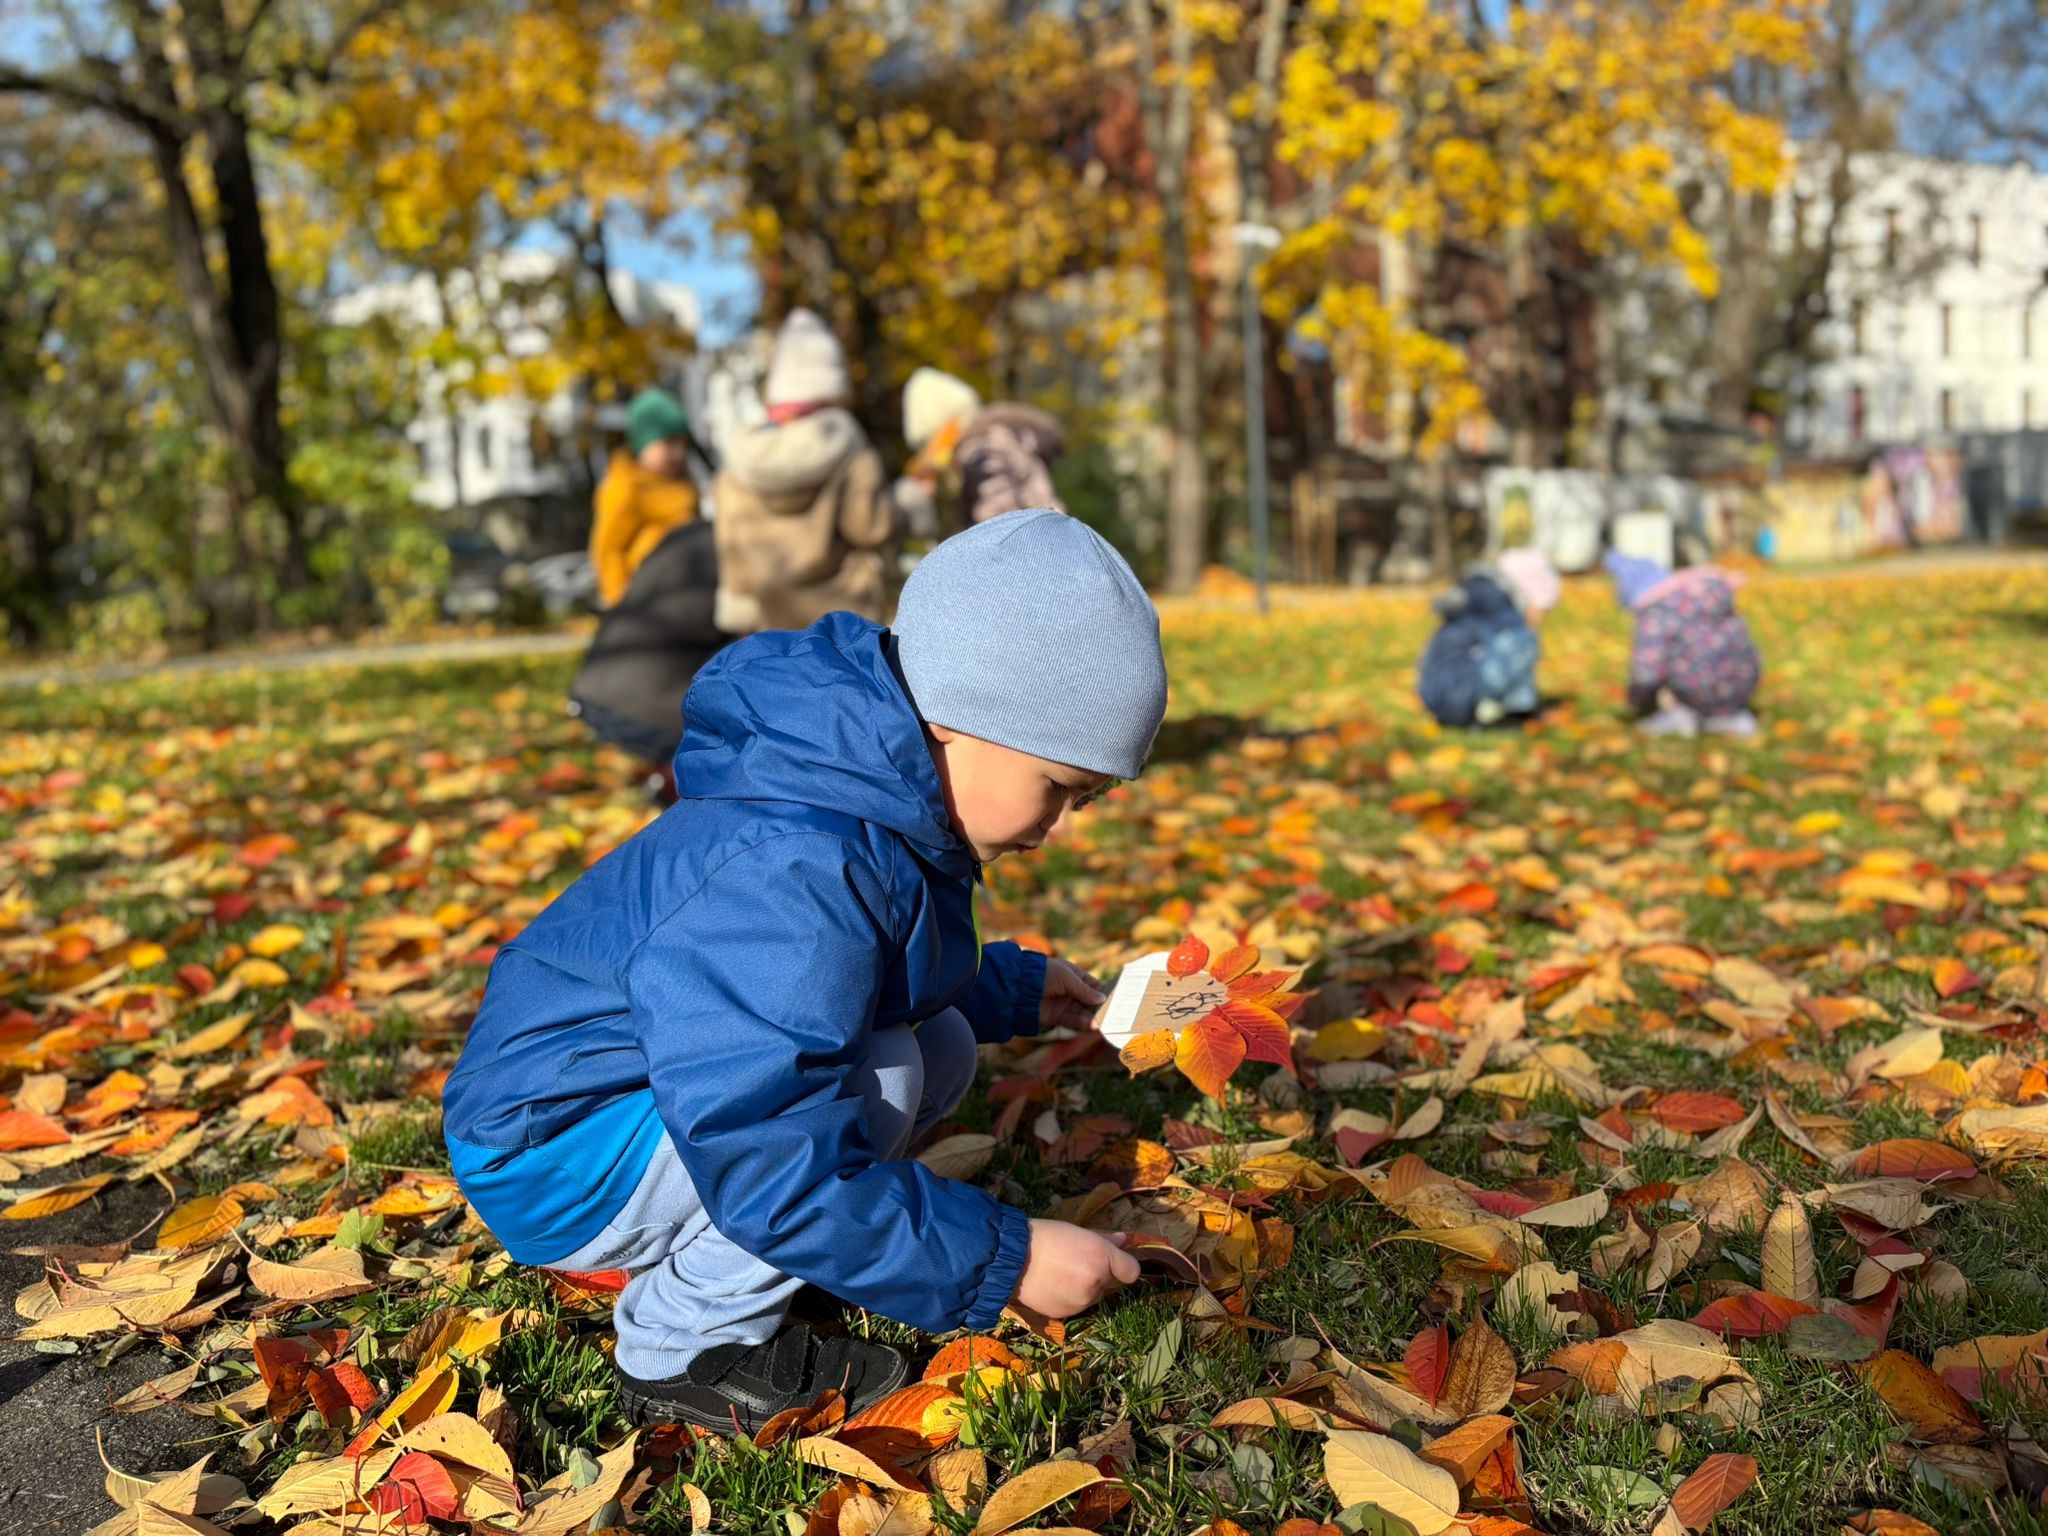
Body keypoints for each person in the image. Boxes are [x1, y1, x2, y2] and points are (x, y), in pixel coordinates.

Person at [442, 510, 1167, 1431]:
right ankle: (682, 1346)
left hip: (631, 1105)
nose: (1060, 828)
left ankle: (758, 1252)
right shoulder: (794, 863)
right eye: (1057, 788)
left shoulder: (866, 796)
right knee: (883, 1075)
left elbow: (857, 974)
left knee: (937, 1041)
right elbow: (764, 1133)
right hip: (553, 1148)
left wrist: (1015, 991)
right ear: (954, 720)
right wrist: (1004, 1259)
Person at [713, 310, 902, 634]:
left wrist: (738, 608)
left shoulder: (738, 462)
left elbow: (731, 548)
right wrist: (909, 504)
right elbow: (870, 528)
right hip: (846, 617)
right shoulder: (849, 447)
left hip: (770, 622)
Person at [568, 519, 730, 801]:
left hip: (592, 691)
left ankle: (670, 782)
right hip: (648, 710)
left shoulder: (685, 535)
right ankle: (682, 790)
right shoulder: (741, 548)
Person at [1603, 551, 1762, 737]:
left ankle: (1680, 715)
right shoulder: (1711, 595)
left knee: (1668, 666)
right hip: (1742, 680)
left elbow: (1647, 671)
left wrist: (1637, 699)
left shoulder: (1657, 613)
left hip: (1694, 688)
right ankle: (1733, 717)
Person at [899, 367, 1065, 532]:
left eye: (929, 440)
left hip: (1035, 543)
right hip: (1050, 539)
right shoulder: (994, 440)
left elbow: (1000, 528)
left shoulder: (978, 454)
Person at [1417, 547, 1558, 728]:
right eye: (1543, 609)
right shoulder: (1502, 609)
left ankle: (1494, 708)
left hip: (1439, 695)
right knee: (1524, 640)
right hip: (1460, 697)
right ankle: (1512, 710)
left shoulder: (1479, 597)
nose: (1542, 617)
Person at [590, 389, 700, 609]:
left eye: (683, 444)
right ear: (643, 444)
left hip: (687, 588)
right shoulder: (626, 486)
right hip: (645, 597)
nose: (678, 453)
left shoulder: (684, 483)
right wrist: (620, 602)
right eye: (668, 443)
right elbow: (608, 550)